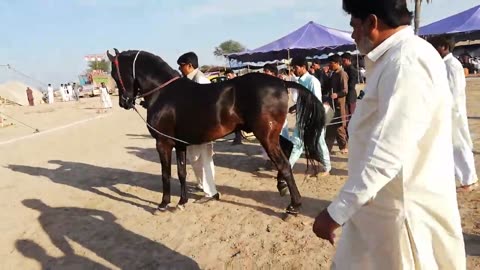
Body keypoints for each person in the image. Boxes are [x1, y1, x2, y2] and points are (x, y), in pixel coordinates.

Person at [312, 1, 466, 269]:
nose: (352, 35)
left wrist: (337, 211)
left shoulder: (407, 61)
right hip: (379, 211)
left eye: (354, 26)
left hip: (400, 216)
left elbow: (388, 150)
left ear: (372, 22)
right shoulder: (395, 59)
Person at [429, 36, 478, 192]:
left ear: (444, 47)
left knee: (460, 144)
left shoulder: (452, 65)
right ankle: (461, 178)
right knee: (449, 146)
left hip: (452, 112)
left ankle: (469, 180)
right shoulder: (442, 64)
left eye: (435, 47)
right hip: (445, 112)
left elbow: (454, 92)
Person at [177, 52, 219, 203]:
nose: (180, 69)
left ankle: (211, 192)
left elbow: (208, 106)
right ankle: (201, 184)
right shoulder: (187, 80)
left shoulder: (201, 80)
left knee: (205, 160)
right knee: (194, 159)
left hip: (203, 128)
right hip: (191, 129)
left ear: (189, 65)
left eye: (181, 66)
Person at [289, 56, 331, 176]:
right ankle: (287, 167)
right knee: (297, 142)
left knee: (319, 142)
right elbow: (302, 99)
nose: (294, 70)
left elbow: (317, 102)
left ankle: (327, 168)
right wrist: (295, 107)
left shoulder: (312, 81)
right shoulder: (299, 81)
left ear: (303, 67)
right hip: (301, 117)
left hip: (313, 118)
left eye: (295, 67)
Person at [325, 54, 349, 154]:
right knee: (331, 126)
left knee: (339, 127)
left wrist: (337, 94)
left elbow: (345, 90)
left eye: (331, 63)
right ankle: (327, 149)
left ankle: (343, 147)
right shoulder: (333, 74)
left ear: (337, 63)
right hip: (332, 105)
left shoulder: (342, 74)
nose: (329, 65)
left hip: (339, 105)